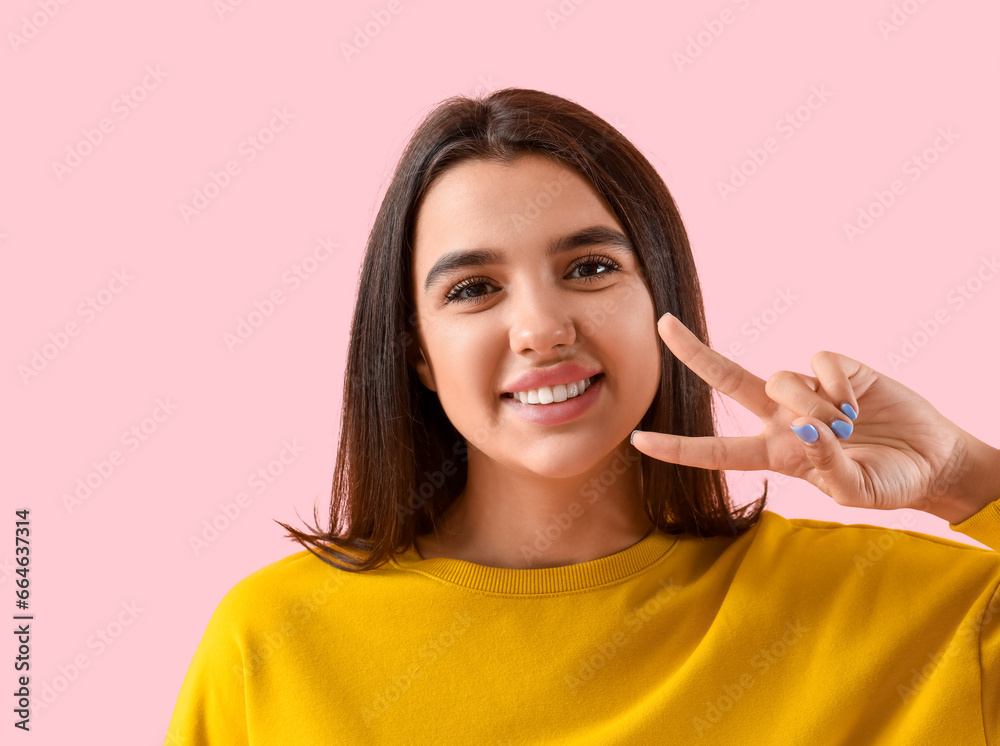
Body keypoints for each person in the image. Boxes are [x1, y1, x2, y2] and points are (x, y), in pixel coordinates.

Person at [164, 88, 1000, 745]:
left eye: (591, 266)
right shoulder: (273, 645)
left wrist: (964, 476)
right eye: (473, 289)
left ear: (661, 300)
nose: (541, 328)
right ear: (416, 352)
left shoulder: (890, 615)